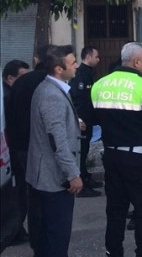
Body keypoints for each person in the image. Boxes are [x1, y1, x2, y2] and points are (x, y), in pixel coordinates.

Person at [91, 42, 142, 257]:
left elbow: (90, 118)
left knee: (115, 211)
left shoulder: (100, 84)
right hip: (140, 159)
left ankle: (112, 252)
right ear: (137, 62)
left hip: (112, 155)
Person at [25, 45, 83, 256]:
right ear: (59, 69)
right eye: (72, 62)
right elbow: (56, 140)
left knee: (47, 236)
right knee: (56, 237)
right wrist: (73, 174)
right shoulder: (51, 94)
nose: (77, 65)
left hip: (46, 175)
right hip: (53, 179)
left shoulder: (52, 89)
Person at [6, 45, 52, 247]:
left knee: (27, 192)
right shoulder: (49, 83)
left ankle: (24, 232)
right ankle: (41, 236)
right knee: (43, 194)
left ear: (36, 60)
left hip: (19, 146)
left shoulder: (22, 82)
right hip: (40, 147)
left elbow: (10, 114)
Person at [69, 46, 103, 197]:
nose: (98, 59)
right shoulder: (80, 74)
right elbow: (78, 99)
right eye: (96, 57)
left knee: (85, 149)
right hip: (82, 122)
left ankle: (85, 176)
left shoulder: (88, 73)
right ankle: (81, 186)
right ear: (88, 56)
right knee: (81, 153)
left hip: (88, 120)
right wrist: (79, 119)